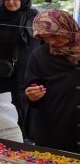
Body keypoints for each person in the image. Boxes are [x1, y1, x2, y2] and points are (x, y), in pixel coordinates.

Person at [0, 0, 41, 141]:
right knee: (7, 100)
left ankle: (29, 134)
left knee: (28, 97)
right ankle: (11, 133)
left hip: (28, 64)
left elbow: (41, 40)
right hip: (4, 68)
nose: (11, 2)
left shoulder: (33, 16)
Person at [24, 10, 80, 153]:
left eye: (55, 35)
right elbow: (29, 87)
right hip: (55, 128)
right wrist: (31, 94)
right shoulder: (40, 55)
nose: (52, 42)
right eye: (45, 38)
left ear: (69, 28)